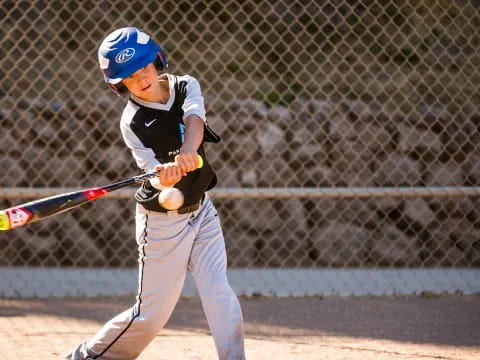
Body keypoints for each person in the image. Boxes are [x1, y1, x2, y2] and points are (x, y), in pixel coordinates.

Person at [66, 27, 246, 360]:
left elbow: (195, 119)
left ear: (157, 60)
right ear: (120, 86)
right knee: (150, 316)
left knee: (218, 292)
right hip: (163, 223)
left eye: (145, 67)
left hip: (201, 209)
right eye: (131, 77)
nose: (142, 78)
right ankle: (87, 357)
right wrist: (164, 176)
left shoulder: (184, 84)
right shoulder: (131, 121)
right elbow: (154, 181)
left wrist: (188, 151)